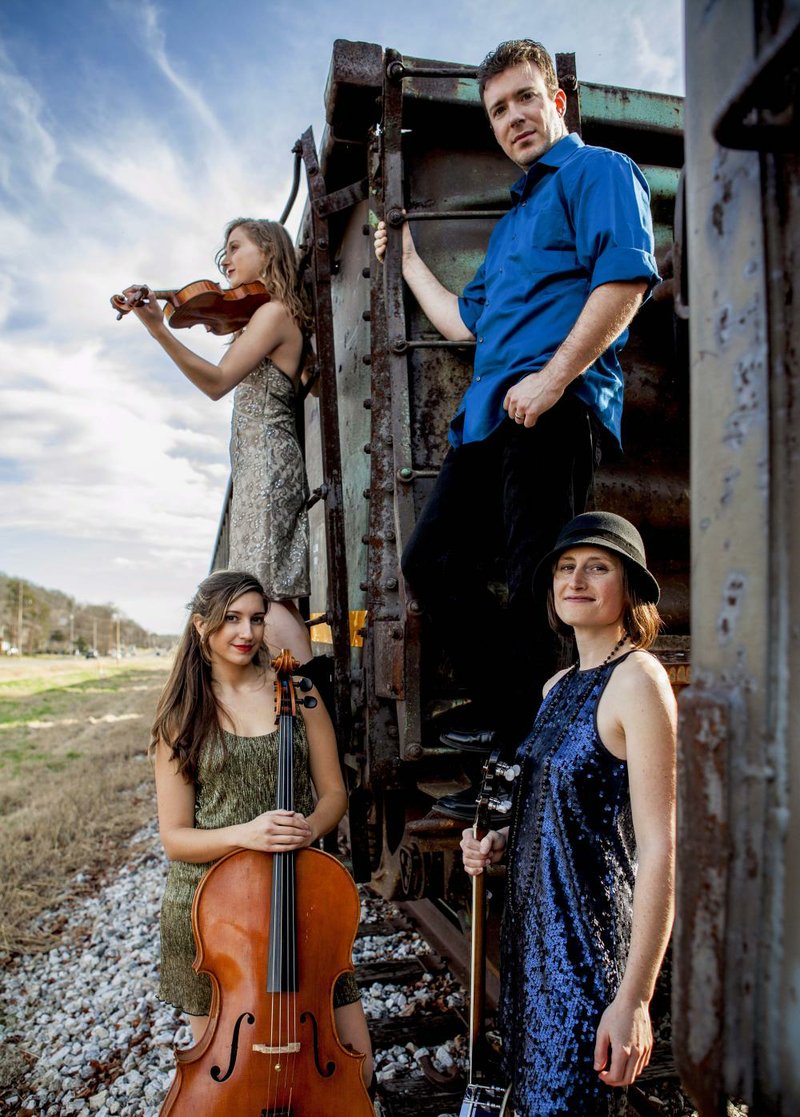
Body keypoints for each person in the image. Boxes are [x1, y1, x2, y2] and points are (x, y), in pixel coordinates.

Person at [374, 40, 660, 747]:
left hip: (558, 406)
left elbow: (623, 282)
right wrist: (405, 258)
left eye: (525, 98)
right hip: (486, 421)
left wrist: (554, 378)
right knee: (430, 561)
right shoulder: (508, 230)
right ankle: (515, 713)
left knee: (541, 580)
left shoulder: (599, 172)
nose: (514, 118)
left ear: (555, 99)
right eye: (498, 109)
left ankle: (530, 755)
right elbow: (461, 323)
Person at [460, 511, 676, 1116]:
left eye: (597, 567)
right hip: (533, 953)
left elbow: (660, 847)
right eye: (565, 567)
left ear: (629, 588)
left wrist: (634, 999)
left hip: (588, 955)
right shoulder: (557, 686)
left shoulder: (638, 679)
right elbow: (556, 809)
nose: (576, 579)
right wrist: (498, 841)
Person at [150, 570, 373, 1089]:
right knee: (230, 1079)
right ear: (202, 625)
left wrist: (308, 829)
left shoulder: (298, 691)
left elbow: (334, 795)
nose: (246, 632)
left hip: (297, 895)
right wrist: (246, 835)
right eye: (231, 619)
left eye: (255, 618)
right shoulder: (182, 715)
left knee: (356, 1070)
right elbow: (176, 838)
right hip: (210, 913)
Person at [122, 218, 313, 658]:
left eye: (234, 247)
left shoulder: (273, 312)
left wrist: (158, 329)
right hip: (257, 465)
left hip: (268, 463)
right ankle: (299, 708)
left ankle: (313, 710)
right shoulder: (261, 315)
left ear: (267, 251)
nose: (225, 259)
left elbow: (216, 381)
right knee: (267, 591)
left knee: (267, 593)